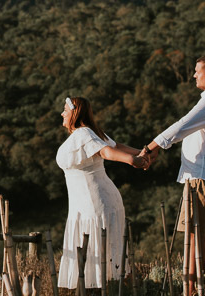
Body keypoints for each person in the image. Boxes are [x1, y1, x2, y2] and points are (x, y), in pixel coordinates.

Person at [140, 54, 205, 296]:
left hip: (202, 177)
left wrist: (152, 147)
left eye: (197, 71)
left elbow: (181, 125)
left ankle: (190, 290)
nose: (193, 75)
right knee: (199, 235)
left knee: (192, 237)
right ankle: (201, 288)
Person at [56, 96, 147, 291]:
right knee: (102, 254)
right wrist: (141, 152)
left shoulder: (84, 134)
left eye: (65, 109)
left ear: (75, 112)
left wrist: (133, 160)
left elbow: (107, 152)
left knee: (98, 255)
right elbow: (117, 146)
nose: (62, 113)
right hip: (95, 200)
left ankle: (102, 290)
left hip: (94, 204)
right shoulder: (89, 133)